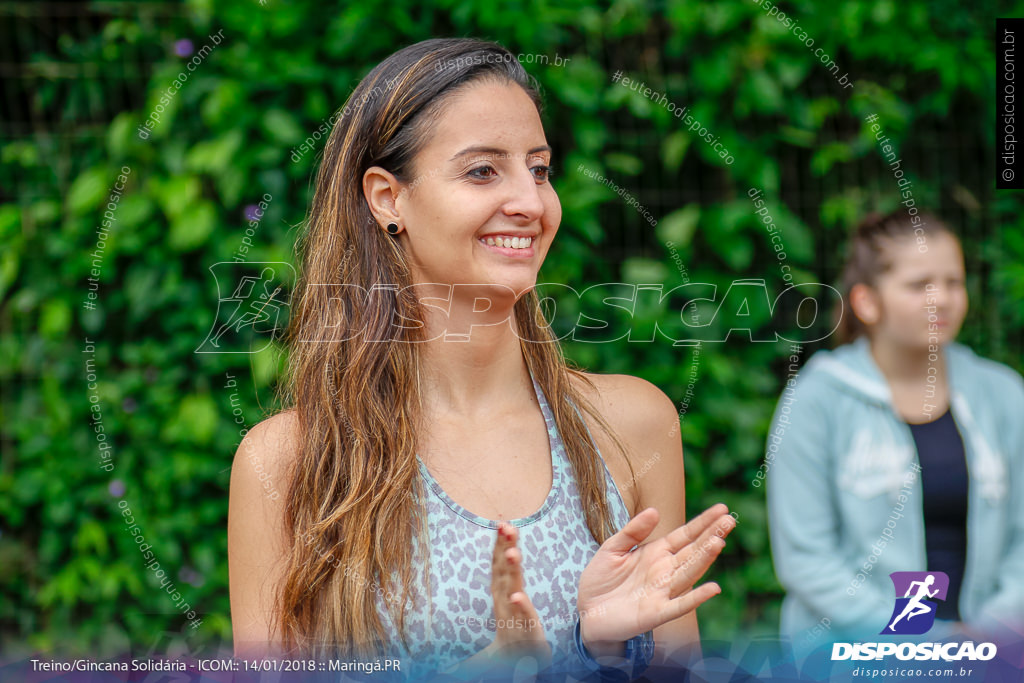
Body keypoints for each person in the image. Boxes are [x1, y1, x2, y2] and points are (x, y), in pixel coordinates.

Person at [227, 37, 736, 681]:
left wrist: (598, 650)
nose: (531, 201)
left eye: (540, 168)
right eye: (481, 171)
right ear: (388, 199)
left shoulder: (633, 423)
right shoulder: (291, 463)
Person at [766, 208, 1024, 652]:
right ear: (866, 301)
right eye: (919, 284)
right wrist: (925, 641)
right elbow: (807, 559)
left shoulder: (1003, 392)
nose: (942, 298)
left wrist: (988, 636)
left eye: (953, 282)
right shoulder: (815, 400)